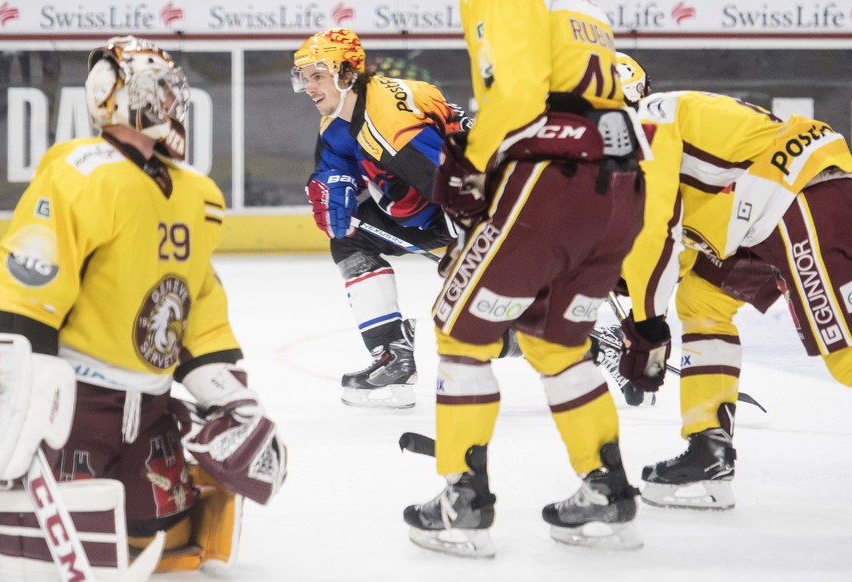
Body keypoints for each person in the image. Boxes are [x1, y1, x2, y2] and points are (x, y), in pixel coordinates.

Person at [0, 36, 286, 576]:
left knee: (174, 541)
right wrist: (16, 386)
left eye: (172, 87)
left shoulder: (197, 194)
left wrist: (226, 394)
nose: (170, 98)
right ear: (114, 94)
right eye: (156, 86)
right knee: (59, 550)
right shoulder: (81, 172)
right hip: (77, 405)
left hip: (152, 405)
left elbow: (198, 300)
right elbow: (29, 281)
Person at [401, 1, 648, 557]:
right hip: (620, 187)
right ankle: (606, 489)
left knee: (461, 334)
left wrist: (470, 163)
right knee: (556, 342)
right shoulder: (584, 12)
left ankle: (462, 502)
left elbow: (516, 95)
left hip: (550, 182)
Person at [614, 53, 852, 509]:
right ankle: (710, 447)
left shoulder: (648, 122)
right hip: (768, 211)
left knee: (845, 358)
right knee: (702, 300)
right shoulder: (656, 123)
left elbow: (655, 227)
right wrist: (639, 296)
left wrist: (646, 326)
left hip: (801, 201)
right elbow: (679, 252)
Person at [291, 28, 467, 409]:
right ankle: (393, 356)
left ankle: (584, 343)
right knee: (348, 240)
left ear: (347, 73)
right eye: (304, 78)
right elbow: (333, 163)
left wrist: (470, 249)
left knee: (474, 320)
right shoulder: (338, 120)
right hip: (429, 208)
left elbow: (460, 187)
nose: (308, 87)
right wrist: (331, 187)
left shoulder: (390, 122)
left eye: (317, 76)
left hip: (481, 210)